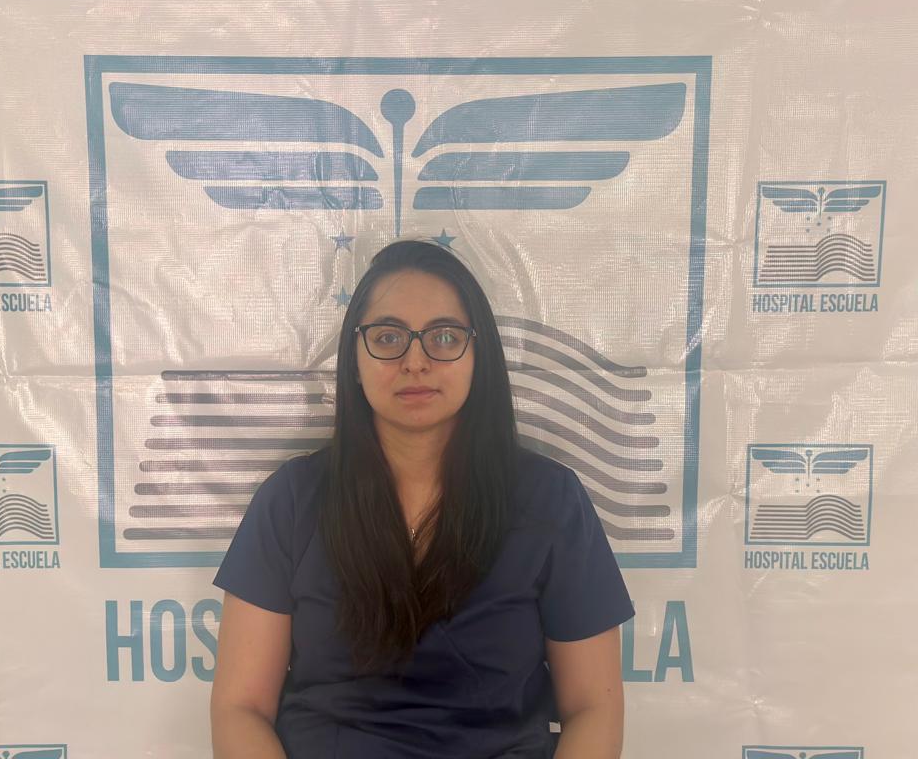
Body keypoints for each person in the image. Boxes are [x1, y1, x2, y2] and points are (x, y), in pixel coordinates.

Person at [210, 239, 634, 758]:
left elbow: (593, 708)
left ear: (478, 354)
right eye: (388, 337)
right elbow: (241, 708)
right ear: (354, 358)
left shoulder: (552, 502)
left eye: (444, 337)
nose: (416, 361)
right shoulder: (292, 501)